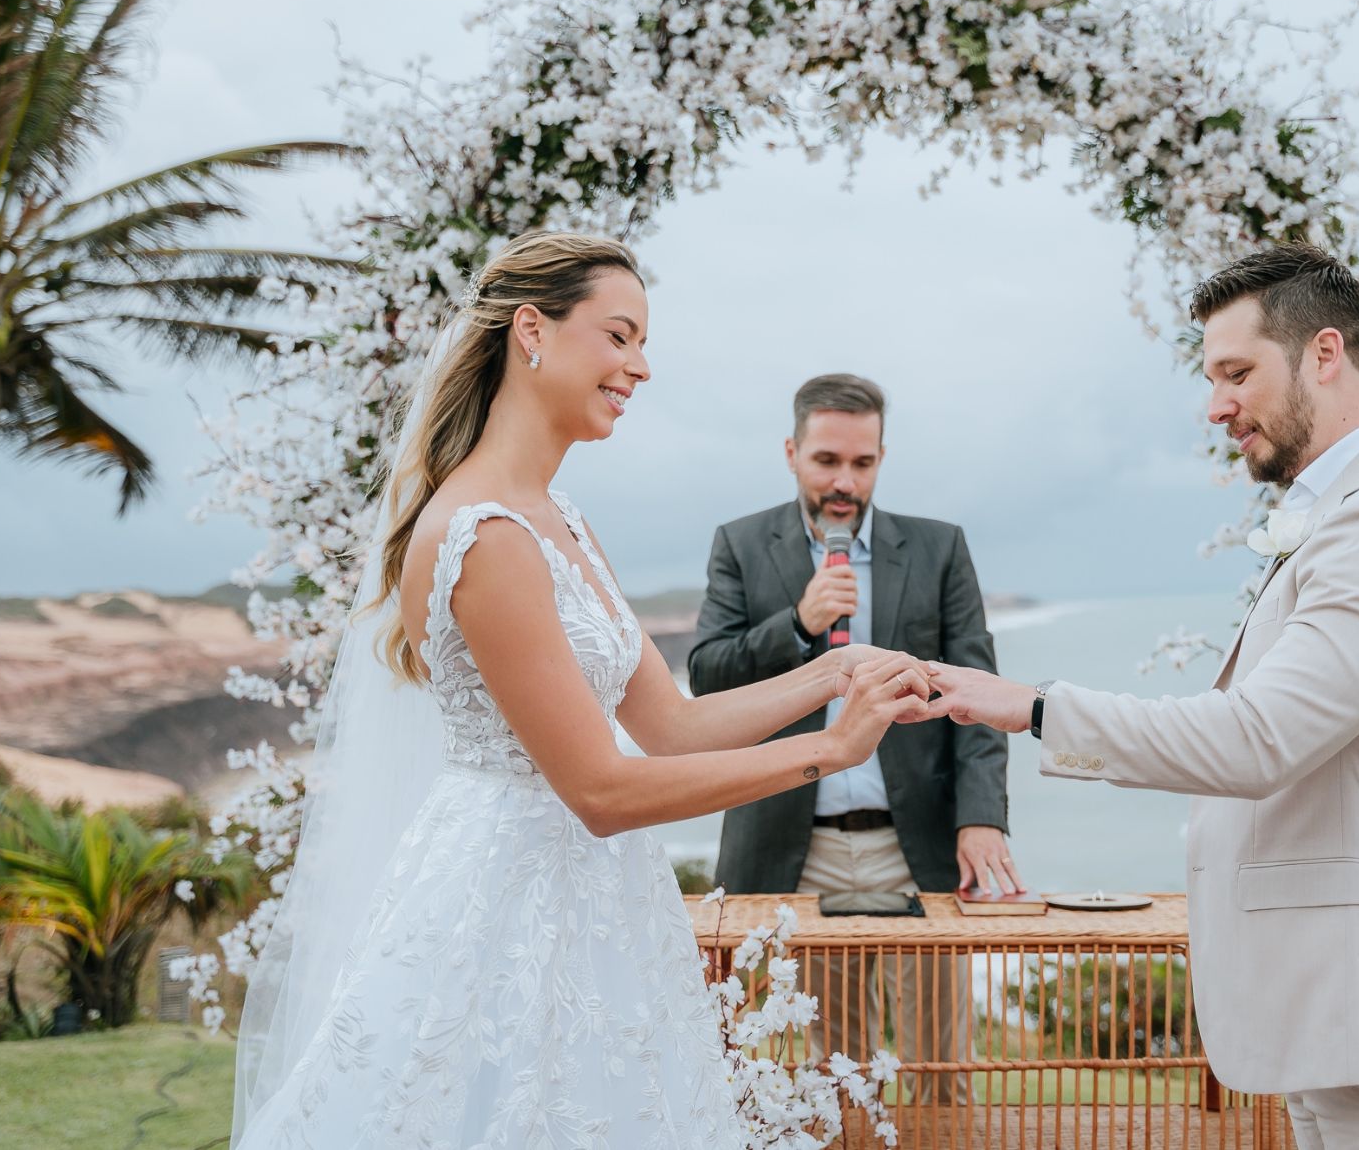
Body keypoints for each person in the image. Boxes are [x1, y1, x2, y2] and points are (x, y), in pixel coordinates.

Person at [231, 231, 933, 1148]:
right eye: (619, 335)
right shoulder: (484, 535)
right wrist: (828, 751)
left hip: (605, 909)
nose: (640, 366)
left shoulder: (560, 519)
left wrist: (835, 671)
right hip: (506, 912)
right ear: (533, 329)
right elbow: (600, 789)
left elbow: (674, 727)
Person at [924, 243, 1359, 1149]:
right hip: (1347, 1022)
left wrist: (1032, 706)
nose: (1216, 405)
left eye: (1236, 372)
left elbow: (1259, 739)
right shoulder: (1351, 509)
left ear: (1324, 354)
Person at [689, 373, 1014, 1100]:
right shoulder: (741, 545)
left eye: (862, 463)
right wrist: (798, 625)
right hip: (797, 846)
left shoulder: (938, 548)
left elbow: (979, 695)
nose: (845, 480)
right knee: (835, 1082)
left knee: (942, 1078)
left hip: (918, 845)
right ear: (791, 452)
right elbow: (708, 678)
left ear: (880, 457)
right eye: (827, 460)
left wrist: (982, 816)